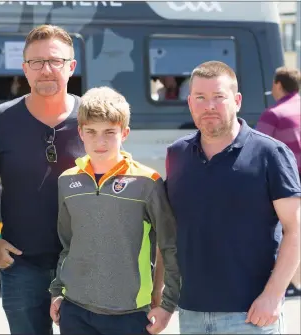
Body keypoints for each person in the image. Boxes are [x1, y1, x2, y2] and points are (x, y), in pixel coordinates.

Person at [165, 60, 301, 334]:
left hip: (251, 315)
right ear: (190, 103)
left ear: (237, 100)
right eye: (201, 98)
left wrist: (273, 296)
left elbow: (295, 228)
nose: (209, 106)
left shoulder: (270, 154)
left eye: (219, 97)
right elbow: (168, 232)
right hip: (191, 313)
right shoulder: (177, 155)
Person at [48, 86, 180, 335]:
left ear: (125, 133)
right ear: (81, 133)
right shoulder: (67, 181)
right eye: (92, 132)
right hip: (75, 310)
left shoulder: (147, 182)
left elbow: (169, 246)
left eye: (110, 132)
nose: (100, 141)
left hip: (129, 314)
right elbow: (67, 244)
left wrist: (167, 304)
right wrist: (58, 291)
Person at [0, 24, 86, 335]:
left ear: (71, 67)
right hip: (20, 263)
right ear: (25, 70)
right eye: (37, 62)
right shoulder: (0, 120)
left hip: (82, 263)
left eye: (55, 61)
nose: (46, 70)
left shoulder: (92, 116)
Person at [256, 66, 301, 295]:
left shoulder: (274, 114)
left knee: (289, 232)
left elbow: (256, 149)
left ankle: (292, 284)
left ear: (278, 85)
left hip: (289, 183)